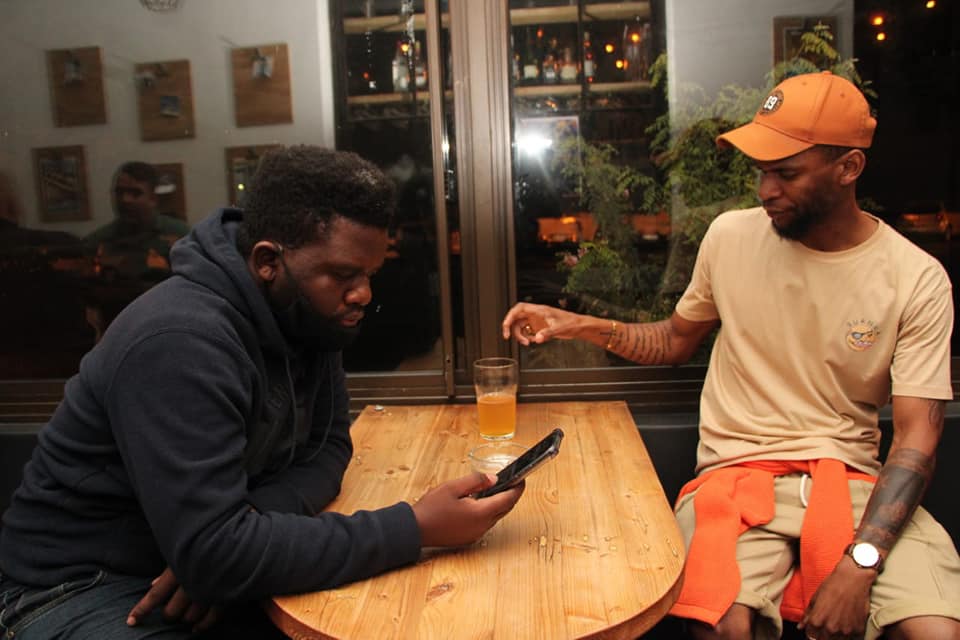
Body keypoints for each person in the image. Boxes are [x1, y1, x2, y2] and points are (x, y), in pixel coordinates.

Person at [502, 72, 960, 640]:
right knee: (721, 623)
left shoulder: (915, 278)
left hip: (851, 479)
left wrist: (860, 563)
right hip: (737, 474)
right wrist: (578, 325)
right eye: (761, 171)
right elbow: (675, 340)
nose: (766, 190)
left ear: (848, 168)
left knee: (936, 631)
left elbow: (916, 439)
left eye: (786, 173)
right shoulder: (730, 237)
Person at [0, 146, 523, 638]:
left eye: (369, 274)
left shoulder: (307, 315)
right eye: (343, 274)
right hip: (75, 587)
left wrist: (240, 533)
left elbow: (329, 448)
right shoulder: (180, 340)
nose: (363, 294)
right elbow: (217, 554)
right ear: (268, 260)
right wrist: (414, 527)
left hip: (185, 568)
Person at [83, 162, 191, 340]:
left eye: (135, 193)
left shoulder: (180, 236)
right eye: (119, 192)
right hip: (117, 334)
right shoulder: (97, 242)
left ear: (153, 198)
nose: (125, 199)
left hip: (170, 331)